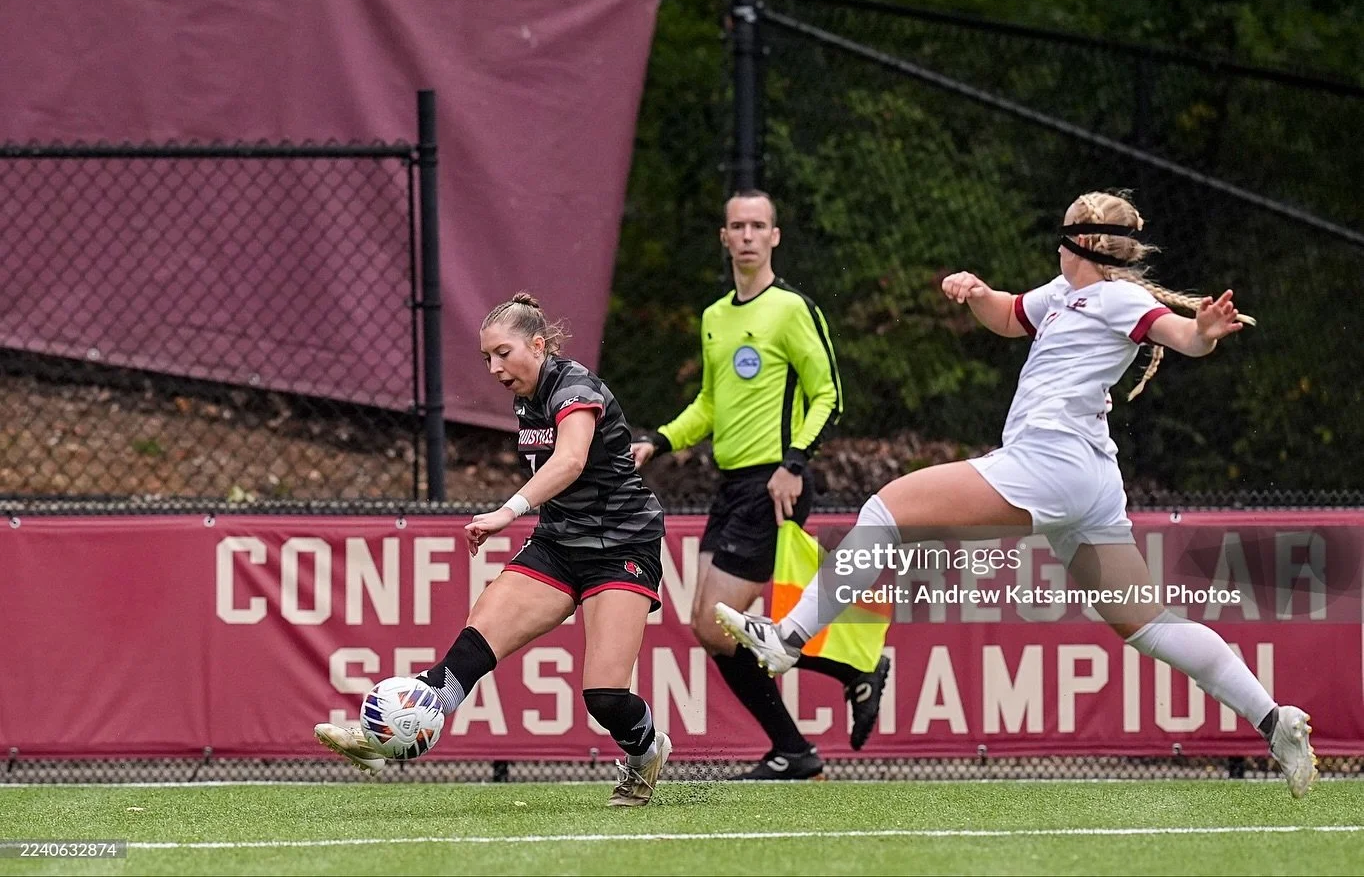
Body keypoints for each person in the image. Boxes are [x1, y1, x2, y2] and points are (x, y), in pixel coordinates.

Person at [717, 190, 1318, 798]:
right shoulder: (1061, 294)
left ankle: (788, 638)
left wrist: (1204, 332)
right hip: (1086, 478)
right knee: (1147, 623)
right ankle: (1275, 720)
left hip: (1048, 465)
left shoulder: (1119, 297)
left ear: (1074, 241)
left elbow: (1182, 337)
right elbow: (1007, 316)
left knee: (887, 509)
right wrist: (979, 294)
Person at [316, 293, 672, 807]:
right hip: (558, 543)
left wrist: (508, 512)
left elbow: (571, 460)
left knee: (604, 695)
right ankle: (381, 737)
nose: (494, 367)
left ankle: (645, 753)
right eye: (486, 357)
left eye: (503, 353)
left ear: (539, 344)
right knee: (471, 650)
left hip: (621, 544)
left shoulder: (573, 385)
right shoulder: (525, 397)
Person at [633, 189, 891, 780]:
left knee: (711, 622)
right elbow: (708, 404)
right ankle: (837, 695)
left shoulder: (792, 309)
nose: (747, 235)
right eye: (736, 226)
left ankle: (800, 741)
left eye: (758, 226)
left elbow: (829, 394)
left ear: (775, 236)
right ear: (723, 237)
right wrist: (662, 440)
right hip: (730, 488)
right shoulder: (715, 317)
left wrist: (794, 463)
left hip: (774, 486)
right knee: (713, 631)